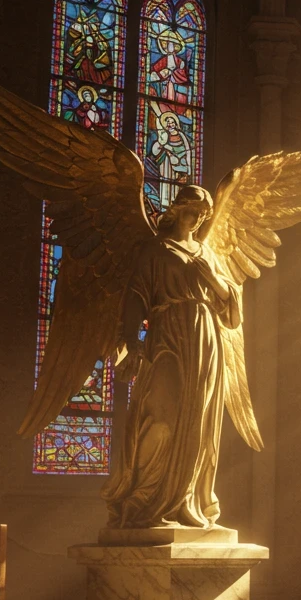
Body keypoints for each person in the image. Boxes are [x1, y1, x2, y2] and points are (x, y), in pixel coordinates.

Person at [104, 186, 241, 529]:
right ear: (177, 209)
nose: (195, 219)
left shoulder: (206, 252)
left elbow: (229, 302)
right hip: (167, 333)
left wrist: (212, 277)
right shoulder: (155, 249)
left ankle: (185, 503)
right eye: (191, 210)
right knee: (160, 417)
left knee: (198, 424)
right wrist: (133, 342)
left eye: (201, 213)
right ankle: (145, 500)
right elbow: (136, 295)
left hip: (205, 337)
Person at [150, 111, 193, 211]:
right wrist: (165, 148)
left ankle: (176, 203)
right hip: (167, 165)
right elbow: (157, 148)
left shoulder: (182, 135)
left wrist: (188, 169)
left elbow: (188, 150)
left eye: (172, 121)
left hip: (181, 165)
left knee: (177, 186)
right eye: (168, 122)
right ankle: (165, 204)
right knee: (166, 181)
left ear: (176, 123)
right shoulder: (164, 135)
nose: (170, 124)